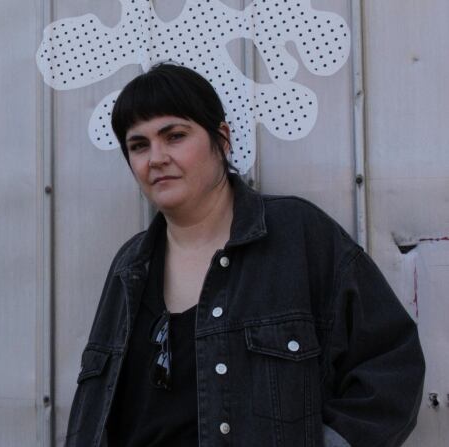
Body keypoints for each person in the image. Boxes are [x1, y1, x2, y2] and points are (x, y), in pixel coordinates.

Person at [64, 63, 425, 447]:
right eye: (139, 145)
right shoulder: (130, 266)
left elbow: (391, 365)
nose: (156, 158)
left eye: (175, 136)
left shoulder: (297, 236)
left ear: (221, 139)